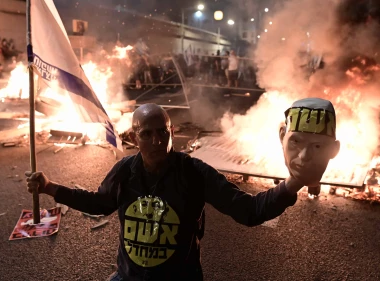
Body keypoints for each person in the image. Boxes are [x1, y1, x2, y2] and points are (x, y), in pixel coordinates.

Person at [25, 100, 340, 281]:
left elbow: (249, 211)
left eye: (162, 132)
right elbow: (99, 203)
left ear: (171, 133)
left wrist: (295, 182)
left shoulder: (194, 173)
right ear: (134, 137)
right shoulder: (126, 171)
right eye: (146, 134)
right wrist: (51, 187)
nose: (156, 140)